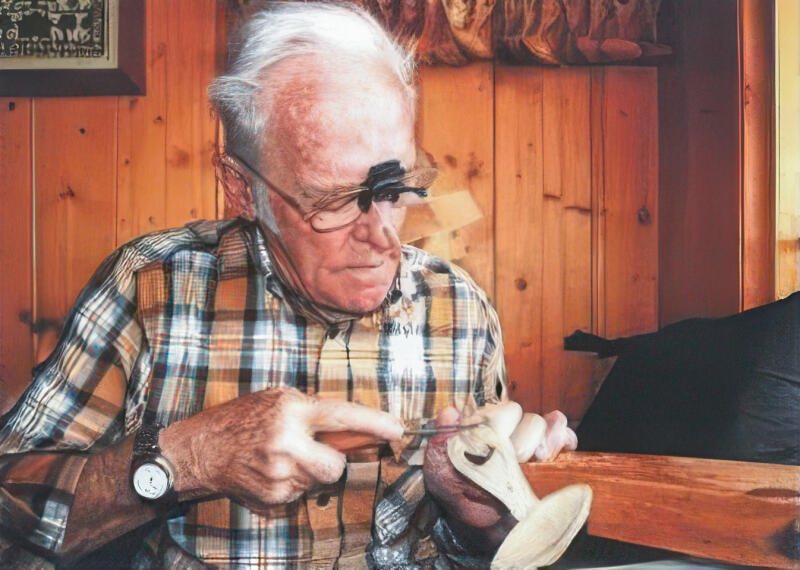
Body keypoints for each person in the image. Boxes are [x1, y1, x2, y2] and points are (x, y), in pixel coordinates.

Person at [0, 3, 577, 568]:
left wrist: (478, 517)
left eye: (395, 186)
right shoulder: (151, 289)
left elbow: (478, 550)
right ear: (241, 188)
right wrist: (187, 458)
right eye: (330, 201)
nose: (383, 237)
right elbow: (9, 510)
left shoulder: (458, 308)